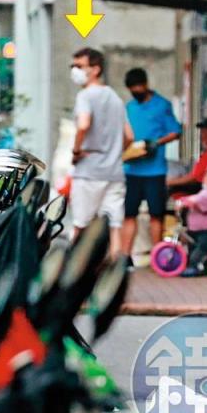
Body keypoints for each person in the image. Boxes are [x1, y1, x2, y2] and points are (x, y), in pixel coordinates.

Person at [70, 48, 134, 257]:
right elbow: (130, 136)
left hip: (88, 171)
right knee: (114, 227)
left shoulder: (85, 96)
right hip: (115, 173)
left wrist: (76, 150)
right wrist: (115, 153)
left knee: (81, 224)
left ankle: (72, 273)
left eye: (79, 66)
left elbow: (84, 124)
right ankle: (114, 274)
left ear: (95, 69)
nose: (75, 71)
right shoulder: (116, 98)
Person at [121, 68, 182, 266]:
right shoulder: (129, 107)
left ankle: (158, 257)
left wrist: (156, 143)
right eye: (132, 89)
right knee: (129, 214)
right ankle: (125, 257)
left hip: (155, 171)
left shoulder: (161, 105)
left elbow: (176, 131)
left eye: (138, 87)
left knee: (157, 214)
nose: (136, 91)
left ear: (145, 84)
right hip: (132, 171)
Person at [167, 117, 207, 197]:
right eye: (202, 132)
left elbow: (194, 178)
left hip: (202, 187)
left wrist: (169, 182)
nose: (203, 135)